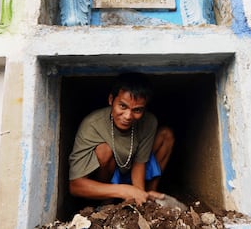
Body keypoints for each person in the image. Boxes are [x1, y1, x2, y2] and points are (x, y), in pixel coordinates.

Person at [69, 72, 174, 205]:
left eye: (137, 110)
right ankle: (106, 203)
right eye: (122, 106)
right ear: (111, 100)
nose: (128, 116)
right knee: (104, 150)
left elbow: (139, 163)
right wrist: (123, 190)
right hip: (108, 177)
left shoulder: (149, 122)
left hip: (130, 170)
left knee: (166, 135)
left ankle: (149, 197)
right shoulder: (92, 124)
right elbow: (75, 186)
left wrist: (139, 193)